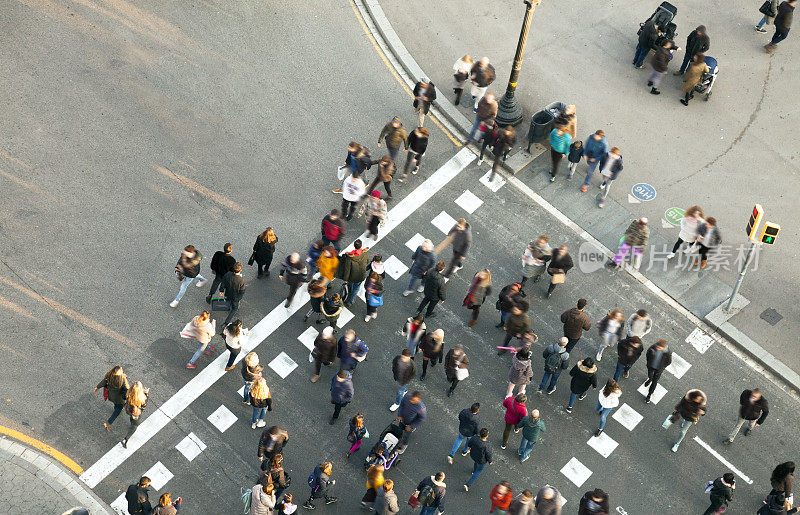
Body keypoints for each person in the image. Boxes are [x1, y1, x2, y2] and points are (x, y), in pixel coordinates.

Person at [335, 239, 370, 306]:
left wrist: (345, 279)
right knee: (356, 289)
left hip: (351, 276)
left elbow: (347, 270)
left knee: (350, 285)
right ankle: (350, 301)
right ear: (361, 245)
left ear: (354, 246)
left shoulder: (350, 257)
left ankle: (349, 293)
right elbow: (367, 262)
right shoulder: (365, 254)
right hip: (361, 275)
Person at [95, 366, 130, 432]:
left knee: (116, 405)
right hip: (119, 398)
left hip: (111, 396)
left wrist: (98, 387)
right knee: (118, 410)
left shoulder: (109, 376)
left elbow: (104, 382)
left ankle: (117, 407)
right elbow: (127, 389)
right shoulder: (122, 380)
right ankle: (108, 422)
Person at [121, 381, 149, 448]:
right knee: (134, 426)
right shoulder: (142, 398)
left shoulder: (128, 393)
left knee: (132, 419)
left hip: (128, 409)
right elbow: (144, 406)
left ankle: (131, 421)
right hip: (135, 414)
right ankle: (125, 439)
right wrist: (146, 394)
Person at [220, 262, 246, 328]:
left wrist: (221, 291)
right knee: (234, 309)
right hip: (235, 297)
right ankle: (226, 322)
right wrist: (239, 298)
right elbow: (242, 291)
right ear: (240, 270)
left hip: (228, 293)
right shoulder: (241, 280)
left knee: (228, 301)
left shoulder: (228, 274)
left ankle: (228, 307)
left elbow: (223, 283)